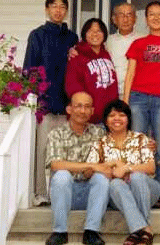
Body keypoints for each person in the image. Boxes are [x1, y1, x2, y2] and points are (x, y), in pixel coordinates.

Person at [123, 1, 160, 208]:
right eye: (151, 14)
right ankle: (135, 190)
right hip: (138, 98)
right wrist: (125, 101)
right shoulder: (138, 44)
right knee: (137, 146)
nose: (156, 18)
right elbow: (130, 73)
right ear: (145, 19)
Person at [23, 0, 79, 206]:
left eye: (62, 6)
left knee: (64, 150)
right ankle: (40, 193)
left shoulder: (71, 38)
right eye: (54, 6)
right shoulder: (37, 35)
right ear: (47, 9)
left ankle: (60, 193)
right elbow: (29, 68)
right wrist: (35, 97)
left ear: (66, 11)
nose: (58, 10)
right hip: (44, 102)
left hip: (66, 103)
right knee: (42, 151)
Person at [87, 99, 160, 245]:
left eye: (121, 115)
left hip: (147, 191)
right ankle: (144, 229)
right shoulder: (99, 144)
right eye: (112, 115)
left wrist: (127, 168)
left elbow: (151, 168)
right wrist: (111, 166)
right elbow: (88, 172)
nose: (117, 119)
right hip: (118, 197)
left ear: (128, 119)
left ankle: (137, 230)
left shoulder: (141, 139)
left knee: (138, 177)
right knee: (115, 184)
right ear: (106, 121)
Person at [45, 91, 112, 245]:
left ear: (92, 111)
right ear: (69, 109)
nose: (83, 111)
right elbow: (56, 164)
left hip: (91, 193)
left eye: (87, 107)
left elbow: (106, 165)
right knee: (62, 175)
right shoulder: (57, 134)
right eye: (79, 106)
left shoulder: (99, 133)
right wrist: (90, 165)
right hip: (64, 193)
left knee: (101, 179)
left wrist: (147, 144)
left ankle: (91, 232)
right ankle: (60, 232)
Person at [64, 18, 118, 124]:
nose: (95, 34)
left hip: (108, 117)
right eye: (91, 31)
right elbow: (72, 86)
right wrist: (85, 111)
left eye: (99, 31)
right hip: (87, 119)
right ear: (85, 34)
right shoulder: (77, 56)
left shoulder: (106, 55)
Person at [107, 3, 142, 96]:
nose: (125, 19)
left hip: (138, 94)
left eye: (129, 15)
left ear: (135, 19)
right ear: (114, 19)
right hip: (113, 92)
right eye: (121, 15)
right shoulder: (107, 41)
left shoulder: (143, 39)